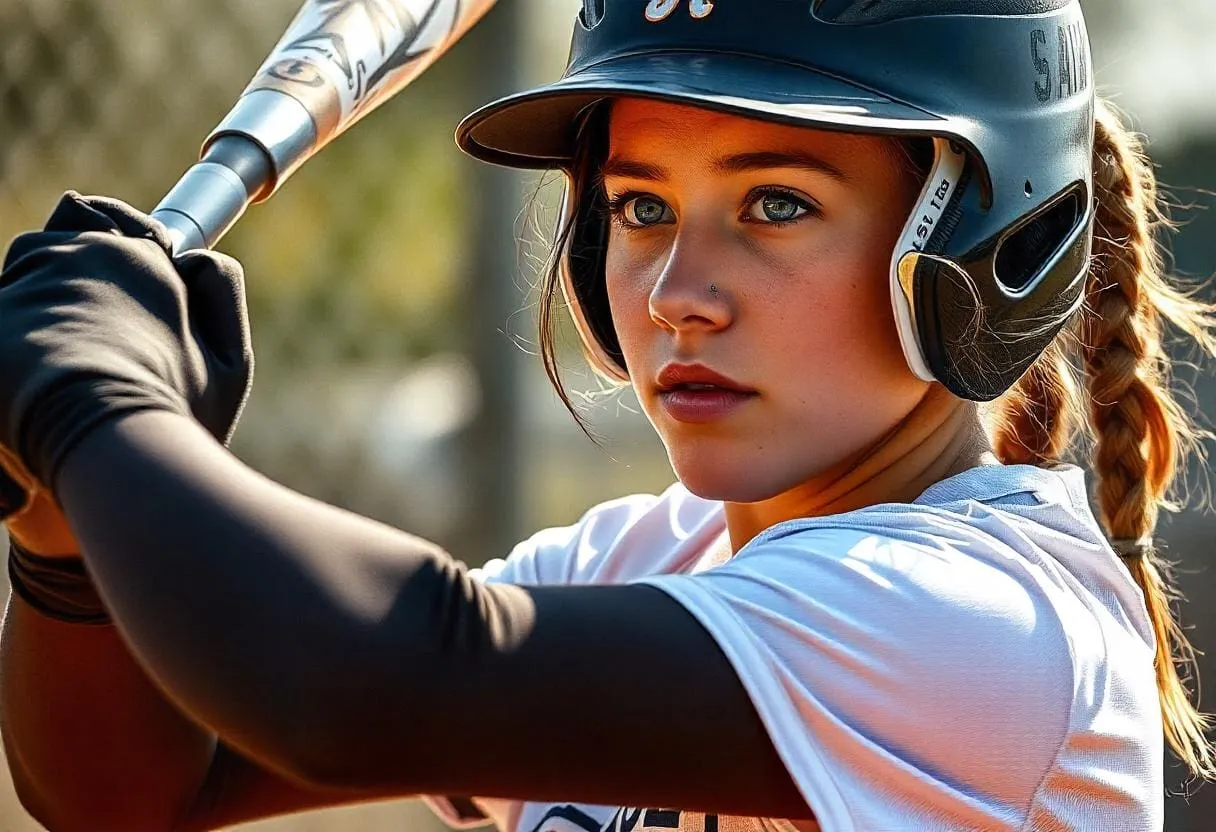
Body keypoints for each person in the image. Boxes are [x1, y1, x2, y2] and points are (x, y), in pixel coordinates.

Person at [0, 1, 1213, 830]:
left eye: (777, 205)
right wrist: (63, 530)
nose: (677, 293)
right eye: (638, 208)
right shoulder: (646, 560)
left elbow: (359, 680)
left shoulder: (990, 628)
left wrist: (96, 408)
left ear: (984, 243)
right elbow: (142, 792)